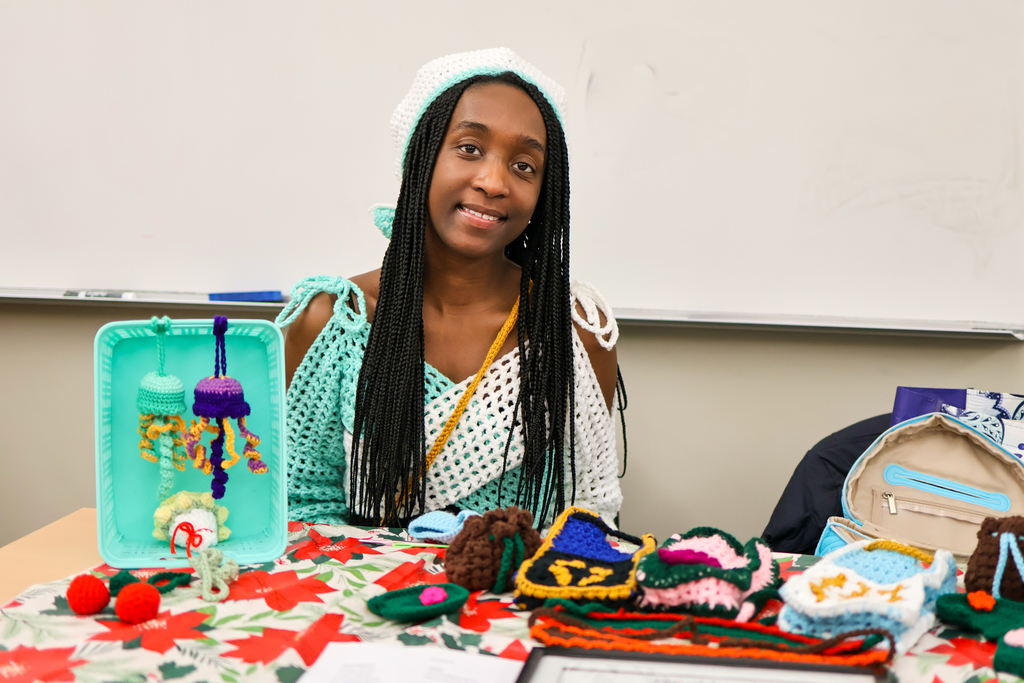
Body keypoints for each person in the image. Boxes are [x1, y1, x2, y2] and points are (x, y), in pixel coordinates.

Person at [277, 48, 623, 527]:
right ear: (420, 158)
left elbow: (589, 516)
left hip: (517, 597)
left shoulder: (576, 332)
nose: (493, 181)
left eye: (525, 166)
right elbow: (300, 509)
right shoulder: (336, 319)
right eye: (469, 149)